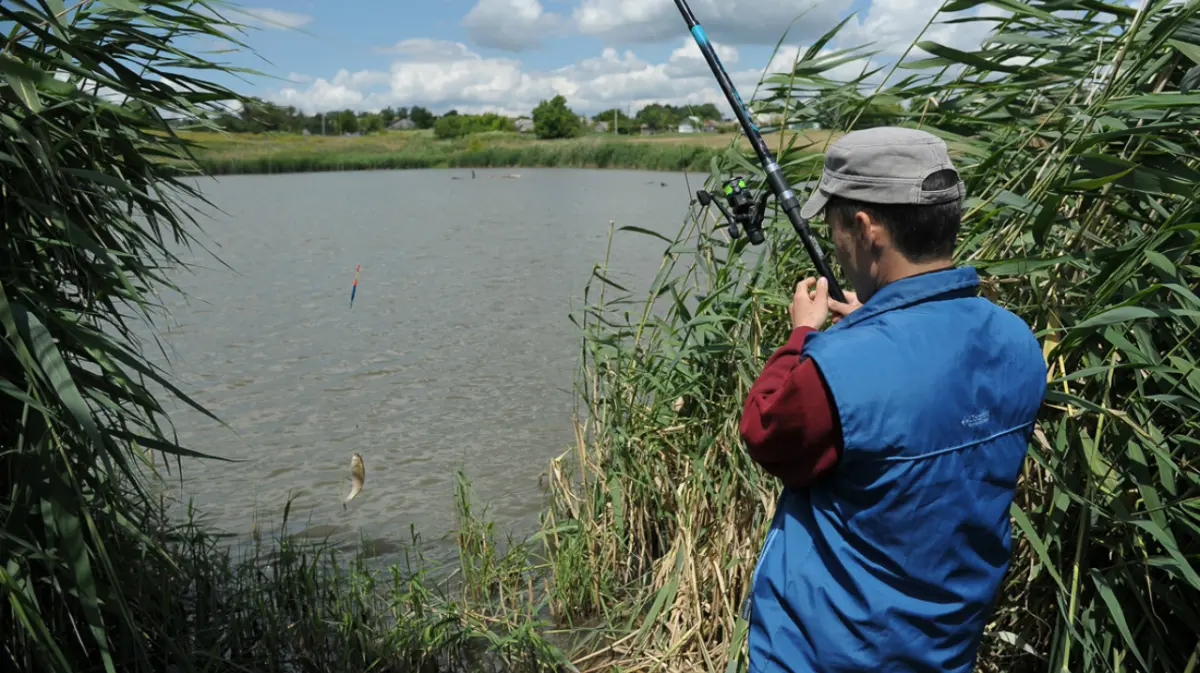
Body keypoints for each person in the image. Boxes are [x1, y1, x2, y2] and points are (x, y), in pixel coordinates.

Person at [738, 127, 1047, 673]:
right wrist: (876, 326)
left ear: (865, 227)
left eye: (834, 226)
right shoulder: (1017, 342)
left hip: (828, 656)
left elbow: (766, 432)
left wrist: (801, 337)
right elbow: (927, 393)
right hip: (943, 650)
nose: (835, 243)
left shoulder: (832, 370)